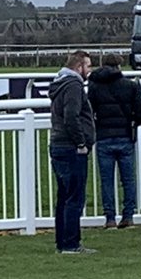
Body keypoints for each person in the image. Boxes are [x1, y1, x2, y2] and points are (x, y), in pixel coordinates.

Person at [87, 53, 141, 229]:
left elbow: (90, 110)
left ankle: (110, 218)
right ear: (119, 66)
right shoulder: (131, 86)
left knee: (106, 180)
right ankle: (128, 216)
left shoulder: (95, 85)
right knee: (128, 180)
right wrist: (133, 120)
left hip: (104, 136)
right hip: (125, 136)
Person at [49, 50, 96, 254]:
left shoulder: (60, 84)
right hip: (70, 147)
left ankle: (63, 242)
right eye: (88, 65)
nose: (90, 70)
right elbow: (71, 116)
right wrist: (81, 142)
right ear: (79, 67)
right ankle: (71, 243)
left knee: (64, 196)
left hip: (59, 145)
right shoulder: (74, 85)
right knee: (74, 198)